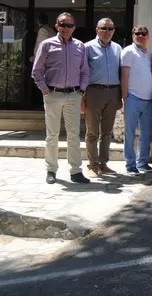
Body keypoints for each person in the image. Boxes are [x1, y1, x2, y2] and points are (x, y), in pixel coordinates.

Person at [31, 12, 90, 184]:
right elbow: (37, 71)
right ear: (56, 26)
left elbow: (85, 71)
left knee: (74, 135)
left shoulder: (80, 46)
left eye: (69, 25)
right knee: (52, 135)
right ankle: (51, 170)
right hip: (53, 94)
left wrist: (82, 90)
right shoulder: (47, 45)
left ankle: (76, 171)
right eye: (62, 24)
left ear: (74, 28)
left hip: (73, 95)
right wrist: (44, 89)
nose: (65, 28)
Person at [83, 18, 122, 176]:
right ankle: (92, 165)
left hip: (113, 92)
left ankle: (103, 164)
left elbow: (120, 72)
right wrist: (82, 97)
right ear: (97, 30)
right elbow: (82, 72)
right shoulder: (87, 47)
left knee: (107, 131)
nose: (107, 31)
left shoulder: (117, 48)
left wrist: (120, 96)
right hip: (94, 92)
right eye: (104, 28)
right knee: (92, 131)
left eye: (110, 29)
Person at [121, 25, 152, 175]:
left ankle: (143, 162)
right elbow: (124, 75)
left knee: (147, 133)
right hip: (133, 98)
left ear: (148, 36)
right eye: (137, 33)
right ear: (133, 35)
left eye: (143, 33)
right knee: (130, 133)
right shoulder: (128, 51)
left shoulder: (149, 53)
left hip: (149, 99)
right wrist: (125, 96)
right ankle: (130, 164)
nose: (140, 36)